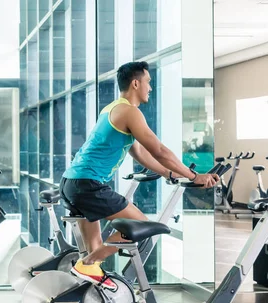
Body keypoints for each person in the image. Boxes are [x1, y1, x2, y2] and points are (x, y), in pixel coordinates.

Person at [60, 61, 219, 290]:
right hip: (88, 185)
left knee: (95, 255)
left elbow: (140, 153)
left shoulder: (113, 108)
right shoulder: (130, 112)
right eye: (148, 82)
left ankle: (90, 292)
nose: (150, 88)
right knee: (140, 225)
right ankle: (86, 264)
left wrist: (169, 174)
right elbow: (160, 150)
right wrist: (195, 176)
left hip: (71, 183)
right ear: (136, 83)